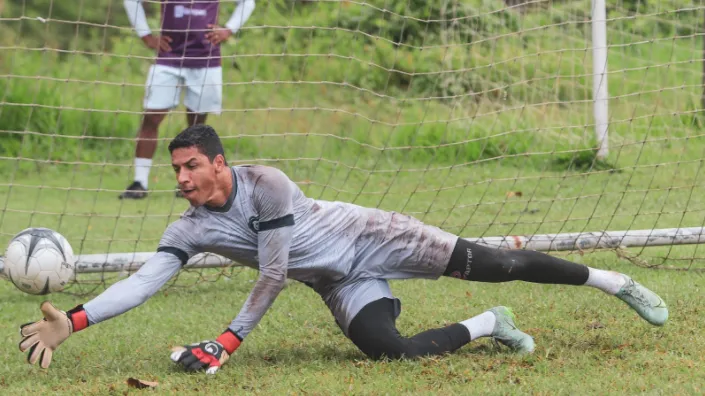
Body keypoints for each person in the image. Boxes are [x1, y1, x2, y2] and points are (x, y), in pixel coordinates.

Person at [19, 125, 668, 374]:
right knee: (393, 351)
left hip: (375, 237)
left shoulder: (265, 183)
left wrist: (225, 340)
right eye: (176, 170)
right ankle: (488, 327)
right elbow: (145, 281)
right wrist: (73, 321)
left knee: (497, 264)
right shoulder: (190, 228)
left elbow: (272, 273)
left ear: (219, 163)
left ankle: (614, 283)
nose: (182, 179)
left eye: (190, 166)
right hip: (338, 281)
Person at [119, 0, 256, 199]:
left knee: (196, 126)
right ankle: (140, 183)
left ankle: (190, 183)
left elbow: (247, 2)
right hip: (168, 57)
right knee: (151, 118)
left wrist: (228, 30)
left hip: (206, 60)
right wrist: (146, 36)